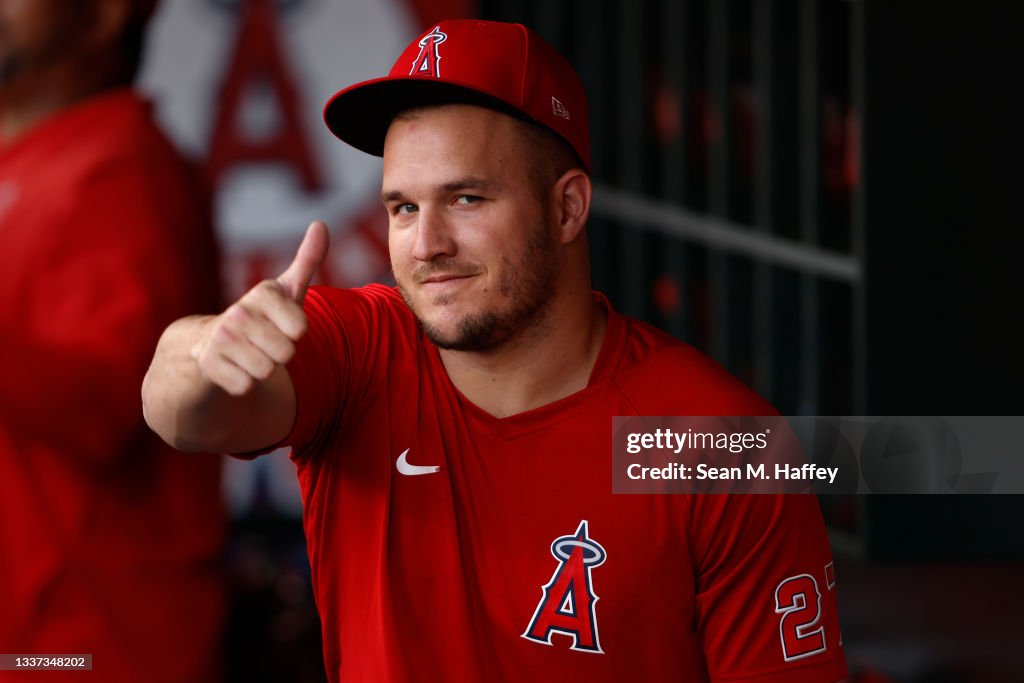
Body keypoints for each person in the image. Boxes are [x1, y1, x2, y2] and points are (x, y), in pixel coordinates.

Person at [143, 18, 846, 682]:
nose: (426, 246)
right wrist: (207, 352)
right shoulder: (361, 350)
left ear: (567, 207)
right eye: (403, 207)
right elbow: (183, 415)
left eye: (468, 198)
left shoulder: (722, 444)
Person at [0, 1, 224, 680]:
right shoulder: (35, 159)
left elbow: (106, 409)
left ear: (103, 15)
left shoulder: (125, 168)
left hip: (90, 646)